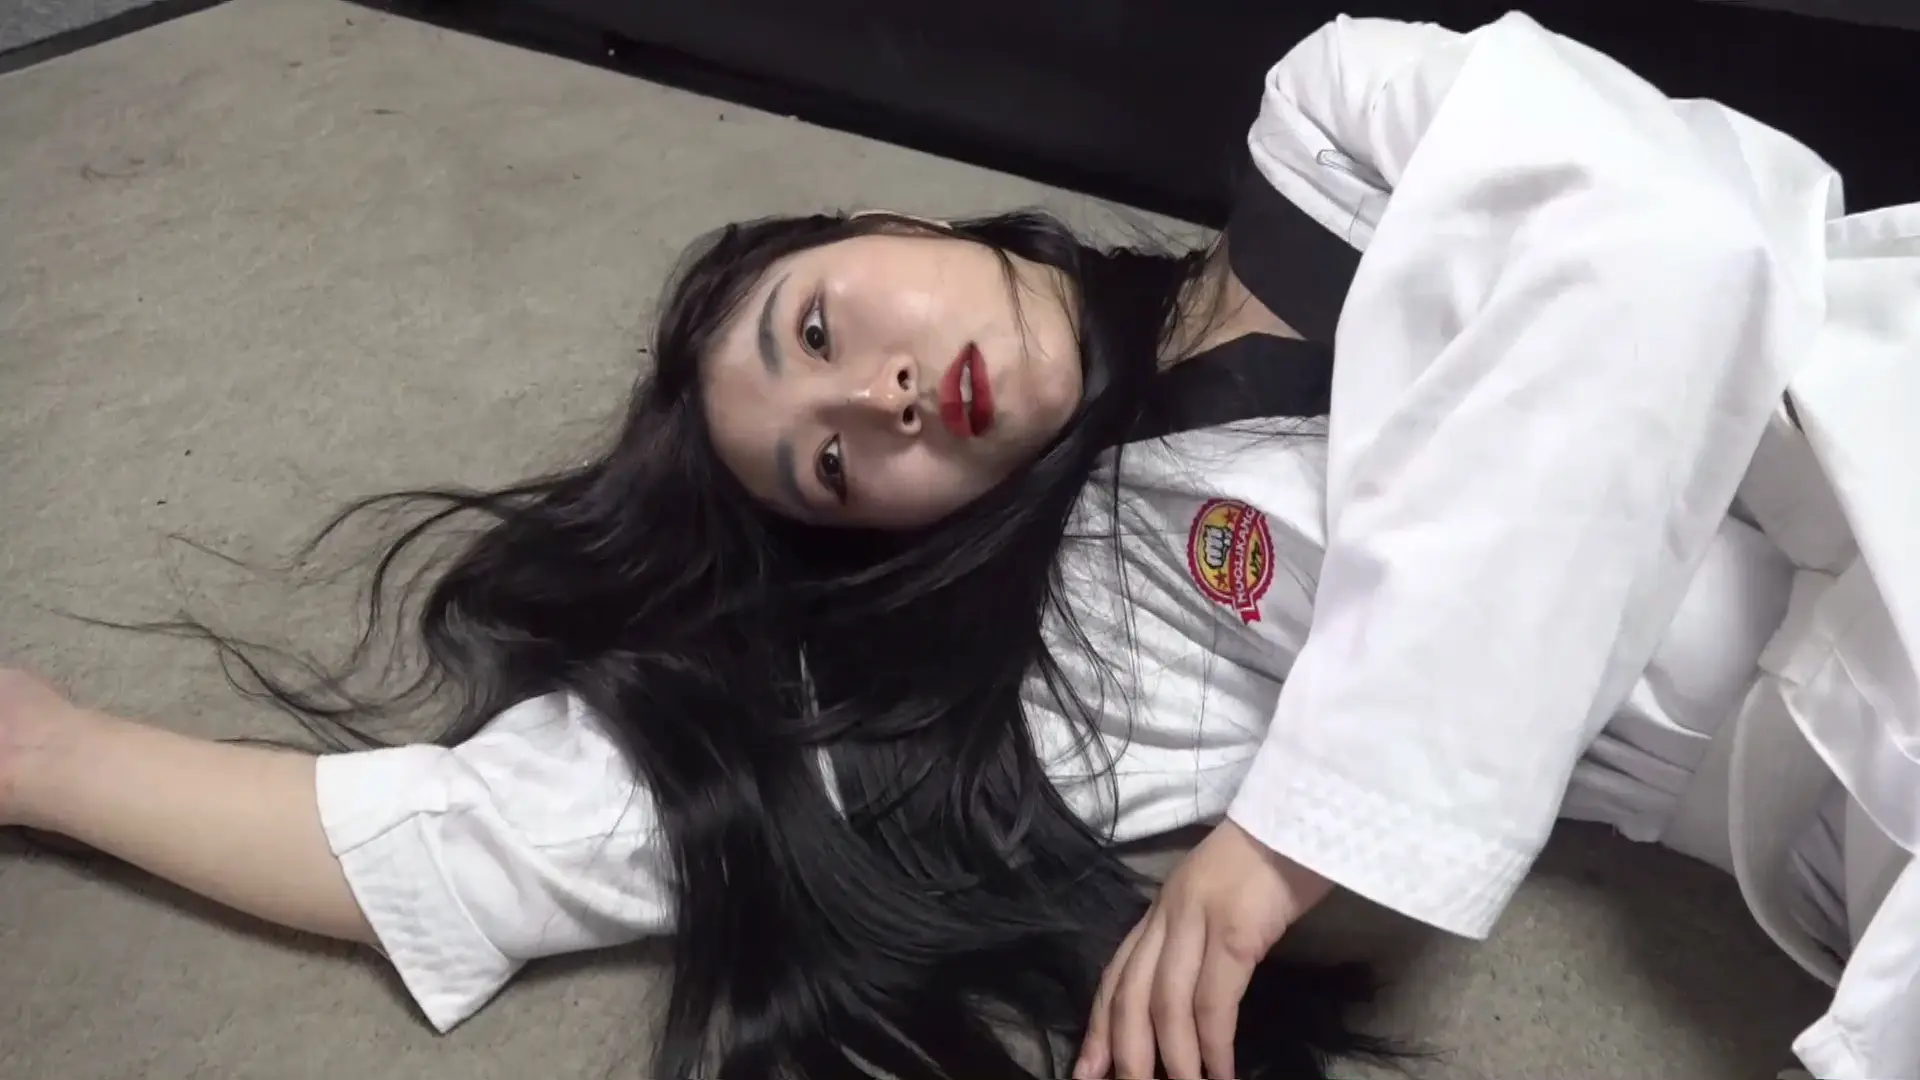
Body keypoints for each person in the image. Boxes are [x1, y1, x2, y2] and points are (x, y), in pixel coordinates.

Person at [1, 10, 1917, 1079]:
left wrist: (1305, 831)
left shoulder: (1336, 125)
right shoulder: (1120, 629)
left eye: (824, 325)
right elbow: (510, 838)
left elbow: (1667, 249)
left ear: (894, 224)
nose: (884, 400)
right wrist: (58, 758)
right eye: (834, 467)